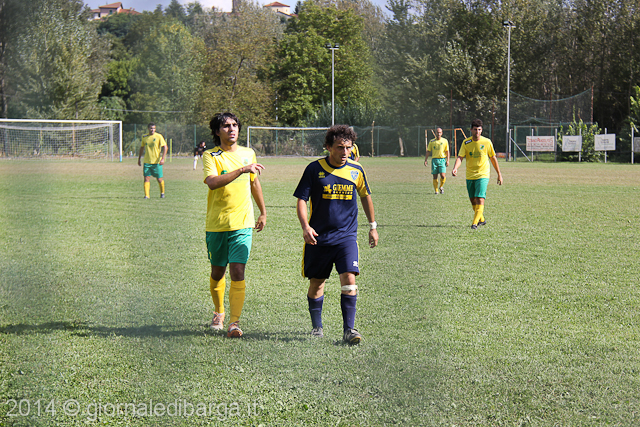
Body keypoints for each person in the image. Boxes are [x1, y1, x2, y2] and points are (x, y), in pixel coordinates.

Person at [293, 124, 379, 345]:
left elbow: (365, 196)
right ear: (329, 147)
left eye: (349, 148)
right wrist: (305, 227)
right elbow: (302, 199)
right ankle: (317, 327)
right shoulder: (314, 169)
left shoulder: (356, 170)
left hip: (346, 237)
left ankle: (349, 330)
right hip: (318, 237)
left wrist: (373, 226)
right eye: (340, 147)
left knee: (349, 279)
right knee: (317, 283)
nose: (345, 152)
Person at [203, 112, 267, 338]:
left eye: (235, 125)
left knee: (238, 270)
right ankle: (219, 312)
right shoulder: (211, 155)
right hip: (217, 224)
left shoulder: (248, 153)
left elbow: (254, 183)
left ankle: (234, 322)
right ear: (217, 131)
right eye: (226, 126)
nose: (232, 129)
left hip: (243, 222)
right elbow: (212, 183)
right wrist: (241, 170)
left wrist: (263, 212)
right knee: (217, 271)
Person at [452, 119, 503, 229]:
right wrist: (455, 168)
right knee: (473, 200)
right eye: (475, 129)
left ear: (482, 130)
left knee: (480, 198)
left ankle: (474, 223)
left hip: (483, 174)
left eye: (479, 129)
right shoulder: (466, 143)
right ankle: (482, 219)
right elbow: (460, 157)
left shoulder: (487, 142)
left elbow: (493, 158)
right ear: (471, 130)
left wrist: (499, 174)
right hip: (470, 175)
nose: (477, 132)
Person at [138, 123, 168, 199]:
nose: (152, 130)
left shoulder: (159, 136)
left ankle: (162, 193)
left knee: (159, 179)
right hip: (147, 162)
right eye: (151, 128)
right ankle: (147, 195)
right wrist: (139, 158)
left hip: (157, 162)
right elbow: (142, 147)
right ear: (148, 128)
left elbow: (165, 147)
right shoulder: (144, 137)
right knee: (146, 178)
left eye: (154, 128)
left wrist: (163, 158)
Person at [424, 127, 449, 194]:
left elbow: (447, 151)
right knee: (435, 176)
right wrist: (426, 160)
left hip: (442, 160)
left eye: (440, 132)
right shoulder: (432, 141)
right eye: (437, 132)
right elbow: (428, 151)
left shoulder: (445, 141)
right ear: (435, 133)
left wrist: (448, 160)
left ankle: (441, 186)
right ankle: (436, 190)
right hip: (434, 160)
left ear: (442, 133)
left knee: (443, 176)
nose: (439, 134)